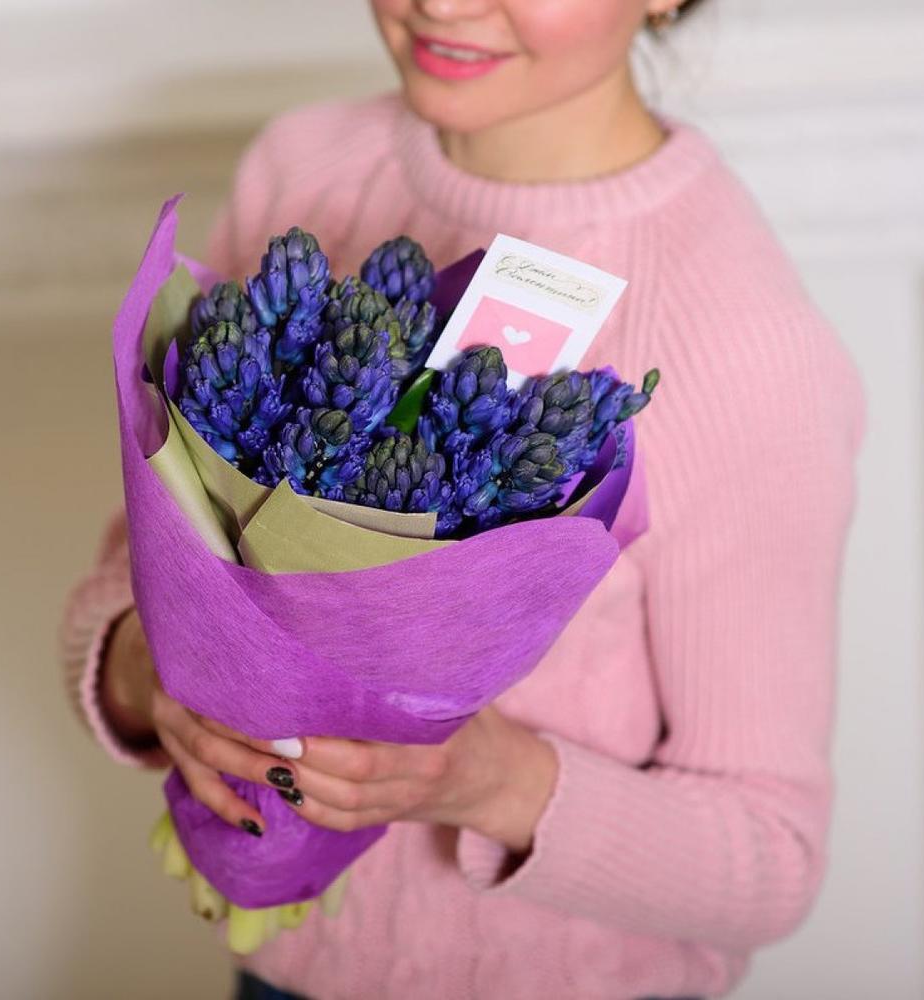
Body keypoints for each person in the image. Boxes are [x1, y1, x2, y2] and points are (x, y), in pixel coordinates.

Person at [60, 0, 868, 997]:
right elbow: (143, 562)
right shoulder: (302, 169)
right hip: (279, 976)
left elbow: (771, 861)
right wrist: (153, 671)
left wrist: (489, 780)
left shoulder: (745, 344)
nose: (443, 4)